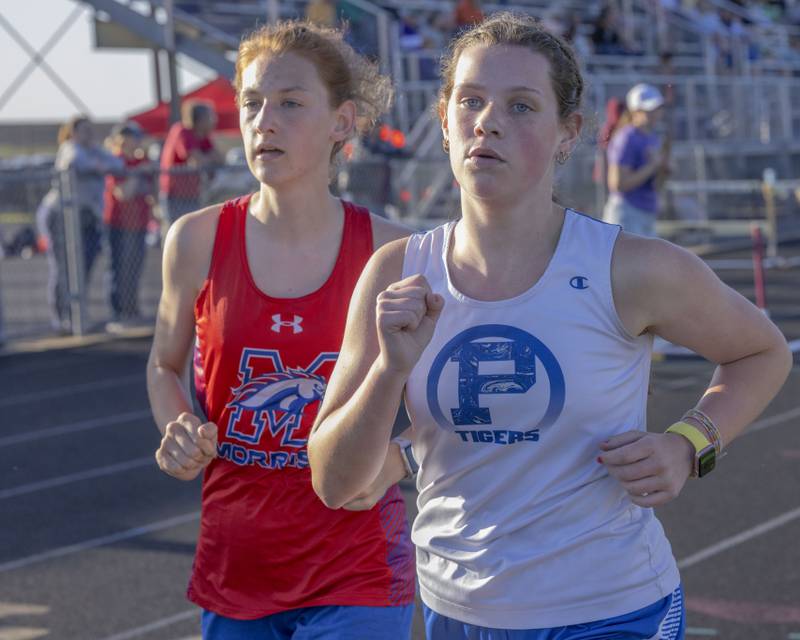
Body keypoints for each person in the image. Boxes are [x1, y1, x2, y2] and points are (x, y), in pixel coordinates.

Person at [309, 12, 792, 639]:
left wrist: (688, 444)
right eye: (471, 101)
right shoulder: (397, 273)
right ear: (445, 122)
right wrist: (389, 368)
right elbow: (333, 482)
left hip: (611, 609)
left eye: (521, 106)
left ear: (569, 134)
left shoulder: (630, 268)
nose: (488, 121)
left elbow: (763, 352)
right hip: (456, 612)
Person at [146, 20, 417, 640]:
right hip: (237, 567)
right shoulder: (195, 240)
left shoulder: (393, 250)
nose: (264, 120)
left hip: (357, 567)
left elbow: (451, 404)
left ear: (342, 122)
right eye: (251, 103)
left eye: (291, 103)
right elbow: (164, 365)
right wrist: (177, 426)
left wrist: (399, 460)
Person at [37, 116, 124, 333]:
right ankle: (62, 320)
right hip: (60, 215)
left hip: (87, 217)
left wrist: (99, 162)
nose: (89, 135)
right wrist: (98, 165)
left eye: (90, 130)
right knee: (63, 267)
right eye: (83, 131)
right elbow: (77, 162)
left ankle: (77, 316)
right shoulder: (70, 147)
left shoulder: (94, 150)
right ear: (73, 133)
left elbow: (118, 164)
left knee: (83, 266)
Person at [103, 121, 154, 328]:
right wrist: (139, 170)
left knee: (135, 269)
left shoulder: (139, 161)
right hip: (120, 224)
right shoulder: (117, 161)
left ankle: (132, 310)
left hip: (139, 223)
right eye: (134, 137)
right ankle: (119, 313)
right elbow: (124, 193)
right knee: (120, 269)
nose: (138, 142)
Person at [603, 83, 669, 237]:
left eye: (657, 108)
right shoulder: (626, 138)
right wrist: (653, 166)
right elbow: (617, 184)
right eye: (648, 110)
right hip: (627, 213)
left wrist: (664, 169)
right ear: (635, 111)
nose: (654, 114)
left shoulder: (652, 138)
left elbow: (656, 184)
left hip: (646, 212)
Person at [158, 100, 223, 231]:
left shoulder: (202, 136)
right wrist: (207, 158)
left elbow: (220, 159)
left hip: (192, 194)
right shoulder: (182, 131)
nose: (214, 121)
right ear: (200, 119)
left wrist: (206, 158)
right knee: (176, 233)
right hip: (174, 196)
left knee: (193, 232)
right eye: (209, 117)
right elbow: (196, 160)